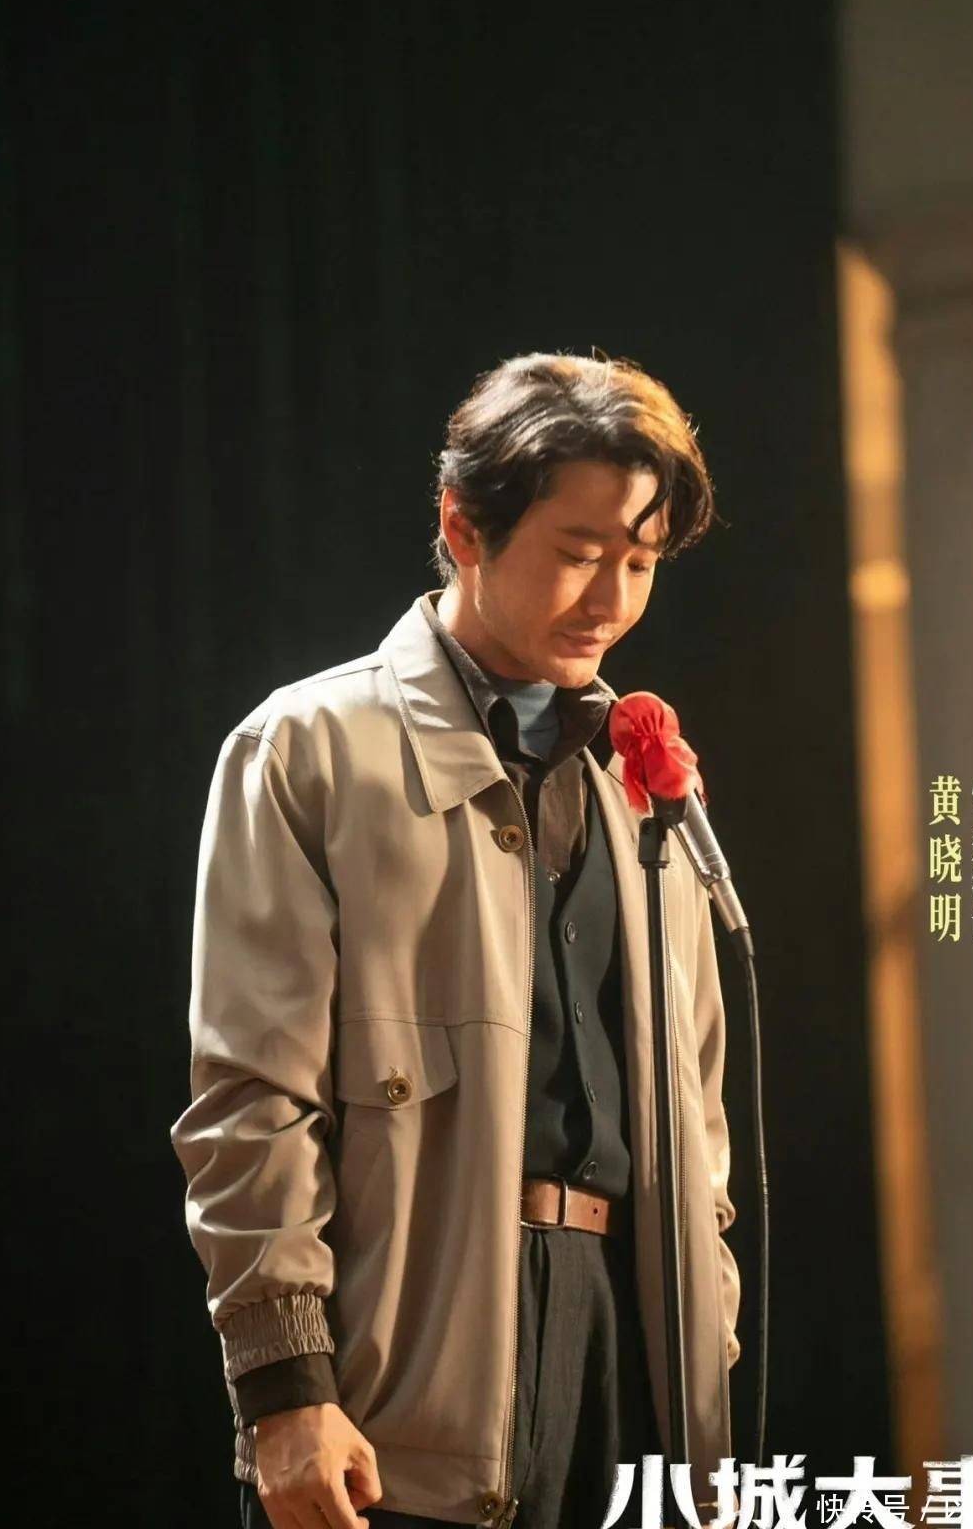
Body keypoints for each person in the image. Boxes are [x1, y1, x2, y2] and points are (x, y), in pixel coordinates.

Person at [170, 352, 742, 1529]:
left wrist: (711, 1333)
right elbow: (252, 1100)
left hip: (634, 1359)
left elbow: (704, 1119)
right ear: (463, 526)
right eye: (579, 552)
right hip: (405, 1377)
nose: (611, 598)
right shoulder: (309, 750)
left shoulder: (646, 787)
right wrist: (287, 1389)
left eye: (640, 562)